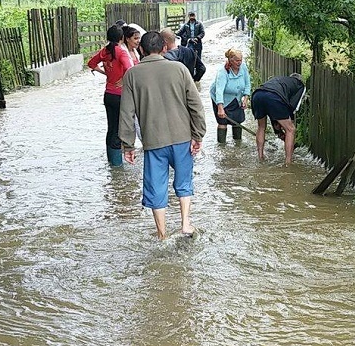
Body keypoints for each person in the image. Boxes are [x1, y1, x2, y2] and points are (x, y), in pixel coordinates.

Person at [119, 31, 206, 240]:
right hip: (182, 137)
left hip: (153, 141)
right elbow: (195, 105)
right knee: (184, 182)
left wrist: (127, 145)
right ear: (165, 48)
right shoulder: (180, 69)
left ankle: (162, 235)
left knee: (156, 187)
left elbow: (126, 112)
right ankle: (185, 224)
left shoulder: (132, 74)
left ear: (141, 49)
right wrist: (198, 134)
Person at [86, 25, 135, 166]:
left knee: (111, 128)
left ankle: (111, 163)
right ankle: (117, 165)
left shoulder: (104, 51)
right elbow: (130, 69)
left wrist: (105, 73)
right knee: (119, 130)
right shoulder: (121, 52)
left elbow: (91, 63)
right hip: (120, 96)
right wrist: (123, 80)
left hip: (108, 95)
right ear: (122, 38)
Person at [251, 73, 306, 166]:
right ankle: (288, 162)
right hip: (273, 97)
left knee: (261, 127)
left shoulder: (281, 80)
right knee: (291, 129)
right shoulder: (300, 86)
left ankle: (260, 157)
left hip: (257, 95)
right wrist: (286, 126)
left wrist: (278, 129)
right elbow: (293, 107)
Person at [210, 48, 251, 143]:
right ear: (231, 60)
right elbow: (219, 91)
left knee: (237, 120)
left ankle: (237, 144)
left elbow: (247, 83)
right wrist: (220, 107)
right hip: (222, 98)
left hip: (237, 97)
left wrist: (245, 98)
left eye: (241, 60)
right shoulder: (222, 72)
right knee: (222, 122)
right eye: (237, 60)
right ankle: (221, 146)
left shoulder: (243, 67)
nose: (239, 62)